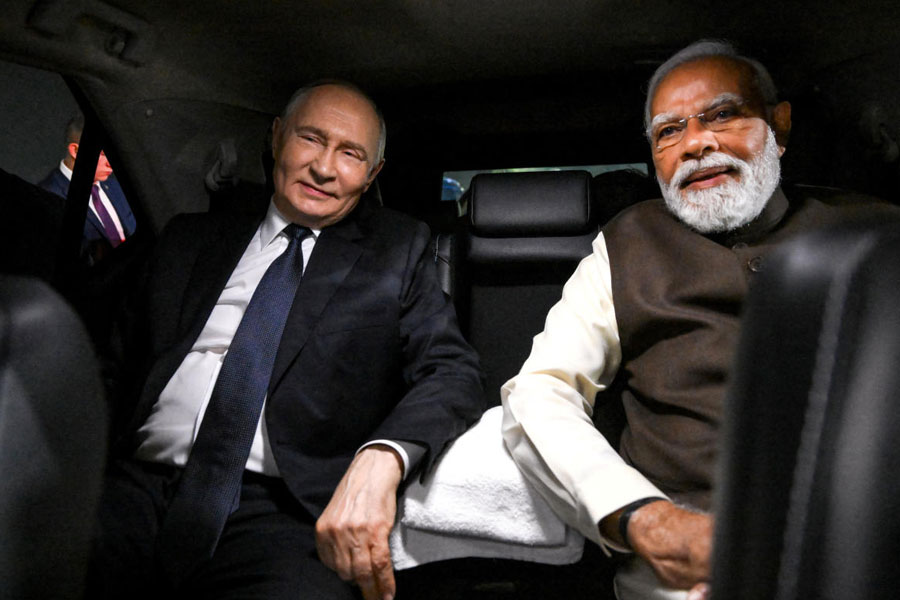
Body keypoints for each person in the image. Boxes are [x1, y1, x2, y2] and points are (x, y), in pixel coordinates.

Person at [501, 40, 899, 600]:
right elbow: (541, 390)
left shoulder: (875, 229)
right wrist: (645, 519)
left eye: (723, 115)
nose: (695, 143)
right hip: (685, 576)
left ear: (779, 128)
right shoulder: (626, 245)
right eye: (668, 131)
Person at [90, 81, 484, 600]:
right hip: (132, 486)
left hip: (285, 510)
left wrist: (383, 456)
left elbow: (452, 371)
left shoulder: (397, 251)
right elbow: (108, 366)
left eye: (350, 154)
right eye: (311, 139)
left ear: (372, 175)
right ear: (277, 138)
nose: (324, 167)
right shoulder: (189, 238)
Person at [38, 114, 136, 263]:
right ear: (76, 151)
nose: (110, 163)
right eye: (103, 154)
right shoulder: (47, 198)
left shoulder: (116, 186)